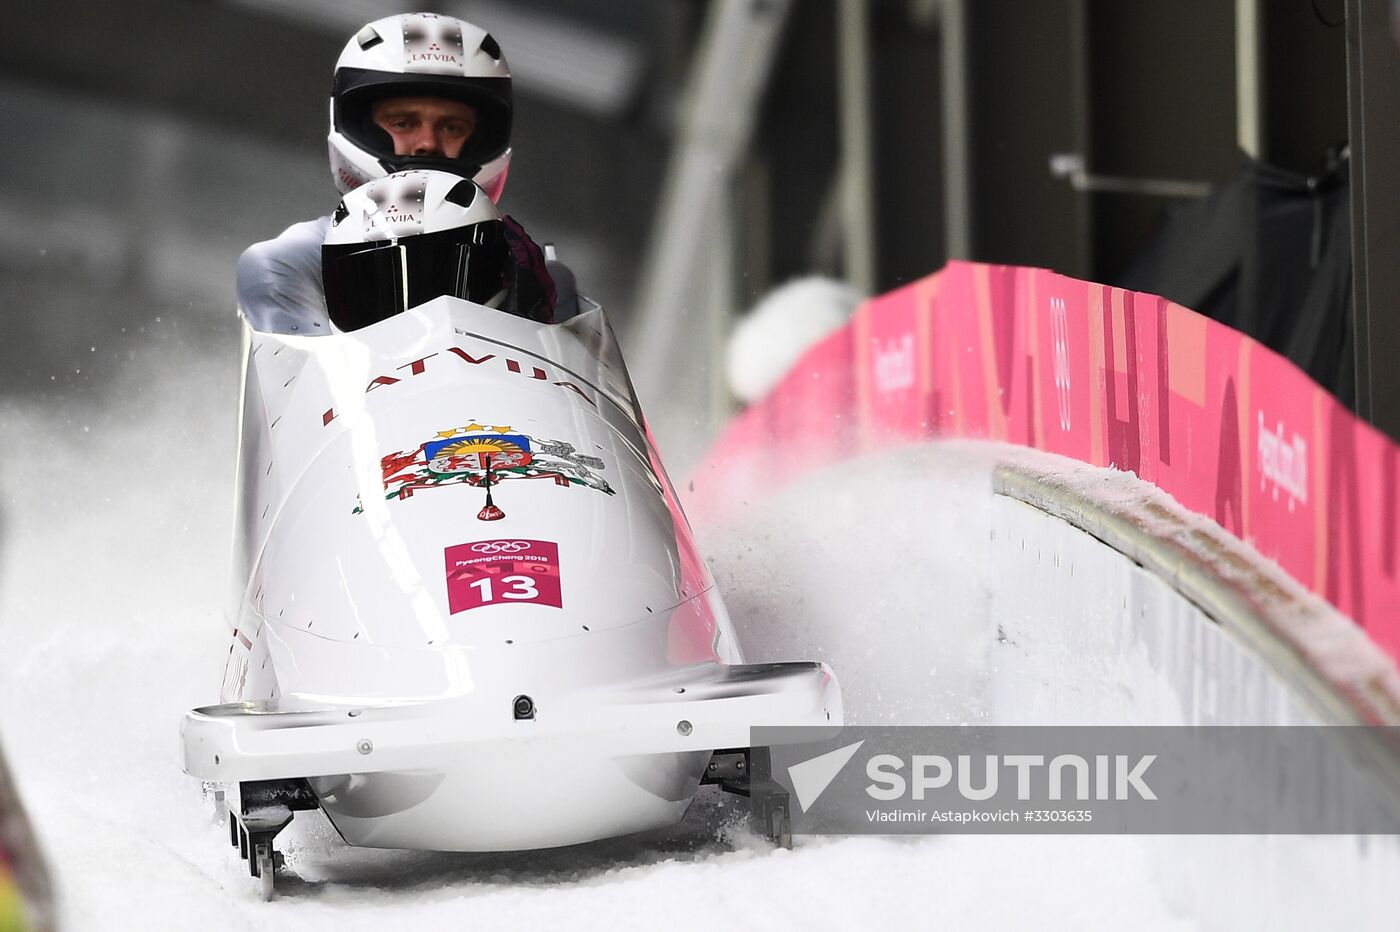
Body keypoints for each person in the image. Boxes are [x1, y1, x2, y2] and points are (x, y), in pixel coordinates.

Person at [238, 11, 554, 333]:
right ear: (358, 126)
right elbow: (302, 371)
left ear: (482, 140)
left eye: (452, 127)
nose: (428, 144)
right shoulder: (287, 264)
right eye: (403, 123)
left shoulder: (537, 271)